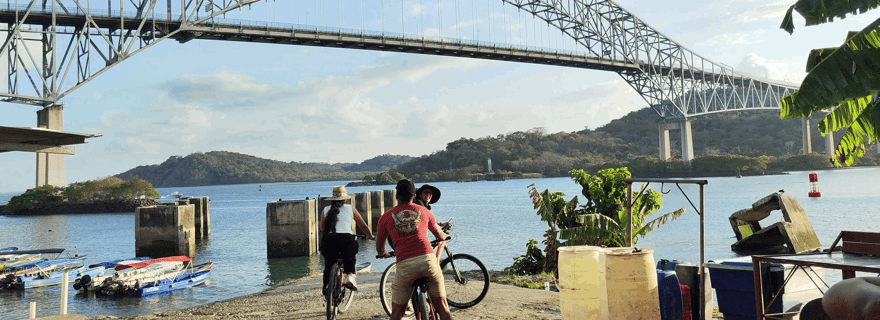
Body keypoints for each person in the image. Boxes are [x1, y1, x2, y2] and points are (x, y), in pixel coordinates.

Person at [376, 180, 453, 320]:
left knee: (397, 314)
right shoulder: (424, 211)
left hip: (405, 267)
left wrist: (382, 253)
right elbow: (438, 234)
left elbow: (380, 245)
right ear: (414, 196)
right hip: (428, 262)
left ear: (397, 196)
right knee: (442, 309)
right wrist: (446, 236)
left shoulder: (385, 217)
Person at [320, 185, 373, 294]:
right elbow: (362, 225)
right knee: (350, 257)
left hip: (329, 241)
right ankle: (349, 277)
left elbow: (322, 228)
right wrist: (370, 235)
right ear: (345, 199)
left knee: (329, 266)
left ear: (332, 199)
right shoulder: (350, 208)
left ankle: (326, 289)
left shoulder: (325, 210)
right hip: (346, 239)